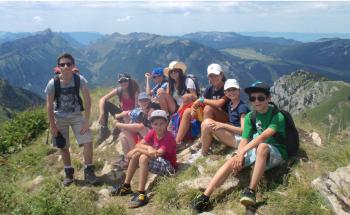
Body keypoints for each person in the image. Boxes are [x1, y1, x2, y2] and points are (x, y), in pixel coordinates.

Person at [191, 81, 287, 212]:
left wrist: (242, 153)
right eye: (253, 98)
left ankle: (251, 192)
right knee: (233, 159)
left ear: (269, 98)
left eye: (261, 98)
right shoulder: (250, 116)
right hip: (258, 149)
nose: (256, 101)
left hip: (277, 151)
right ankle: (205, 197)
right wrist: (238, 154)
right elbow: (245, 138)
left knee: (262, 146)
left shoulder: (277, 116)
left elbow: (263, 137)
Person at [45, 53, 97, 186]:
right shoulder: (53, 83)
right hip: (59, 117)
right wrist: (53, 126)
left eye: (68, 64)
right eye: (62, 64)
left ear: (73, 65)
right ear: (59, 67)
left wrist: (86, 120)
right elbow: (49, 106)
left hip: (76, 116)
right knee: (63, 145)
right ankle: (69, 174)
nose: (66, 66)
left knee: (88, 141)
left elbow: (88, 100)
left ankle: (89, 171)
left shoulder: (79, 79)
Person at [110, 110, 177, 208]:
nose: (159, 127)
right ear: (152, 125)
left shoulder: (169, 137)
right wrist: (148, 148)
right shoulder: (153, 132)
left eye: (161, 123)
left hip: (169, 167)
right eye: (155, 124)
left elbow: (157, 154)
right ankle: (126, 186)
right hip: (158, 160)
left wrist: (138, 150)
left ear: (166, 123)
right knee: (137, 154)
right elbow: (138, 144)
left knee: (143, 157)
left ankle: (142, 193)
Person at [188, 79, 250, 163]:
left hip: (240, 140)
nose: (231, 92)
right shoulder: (231, 104)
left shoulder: (242, 107)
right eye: (229, 90)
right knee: (207, 123)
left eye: (234, 89)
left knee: (207, 124)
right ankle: (204, 149)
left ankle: (203, 153)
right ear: (225, 93)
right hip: (234, 135)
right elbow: (233, 123)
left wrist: (222, 125)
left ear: (239, 90)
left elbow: (243, 131)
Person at [178, 63, 229, 146]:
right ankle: (177, 141)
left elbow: (219, 103)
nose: (214, 78)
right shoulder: (209, 88)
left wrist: (201, 100)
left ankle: (204, 139)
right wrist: (194, 108)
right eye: (211, 76)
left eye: (216, 75)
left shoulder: (227, 87)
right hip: (212, 116)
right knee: (187, 111)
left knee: (208, 108)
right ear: (208, 77)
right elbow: (200, 102)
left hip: (225, 116)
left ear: (221, 75)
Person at [113, 92, 156, 170]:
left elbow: (141, 127)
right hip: (142, 139)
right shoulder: (137, 111)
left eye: (145, 100)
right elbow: (126, 112)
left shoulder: (151, 111)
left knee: (140, 126)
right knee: (123, 134)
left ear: (149, 101)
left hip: (152, 140)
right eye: (141, 101)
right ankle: (129, 160)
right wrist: (118, 116)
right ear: (138, 102)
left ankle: (133, 160)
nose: (144, 102)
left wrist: (119, 124)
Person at [96, 73, 140, 144]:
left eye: (125, 80)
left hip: (132, 116)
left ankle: (121, 126)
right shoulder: (119, 90)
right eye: (121, 81)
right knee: (105, 104)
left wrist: (120, 115)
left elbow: (136, 109)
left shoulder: (134, 91)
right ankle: (104, 130)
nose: (123, 83)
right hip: (122, 114)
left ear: (129, 81)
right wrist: (102, 113)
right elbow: (102, 99)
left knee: (118, 130)